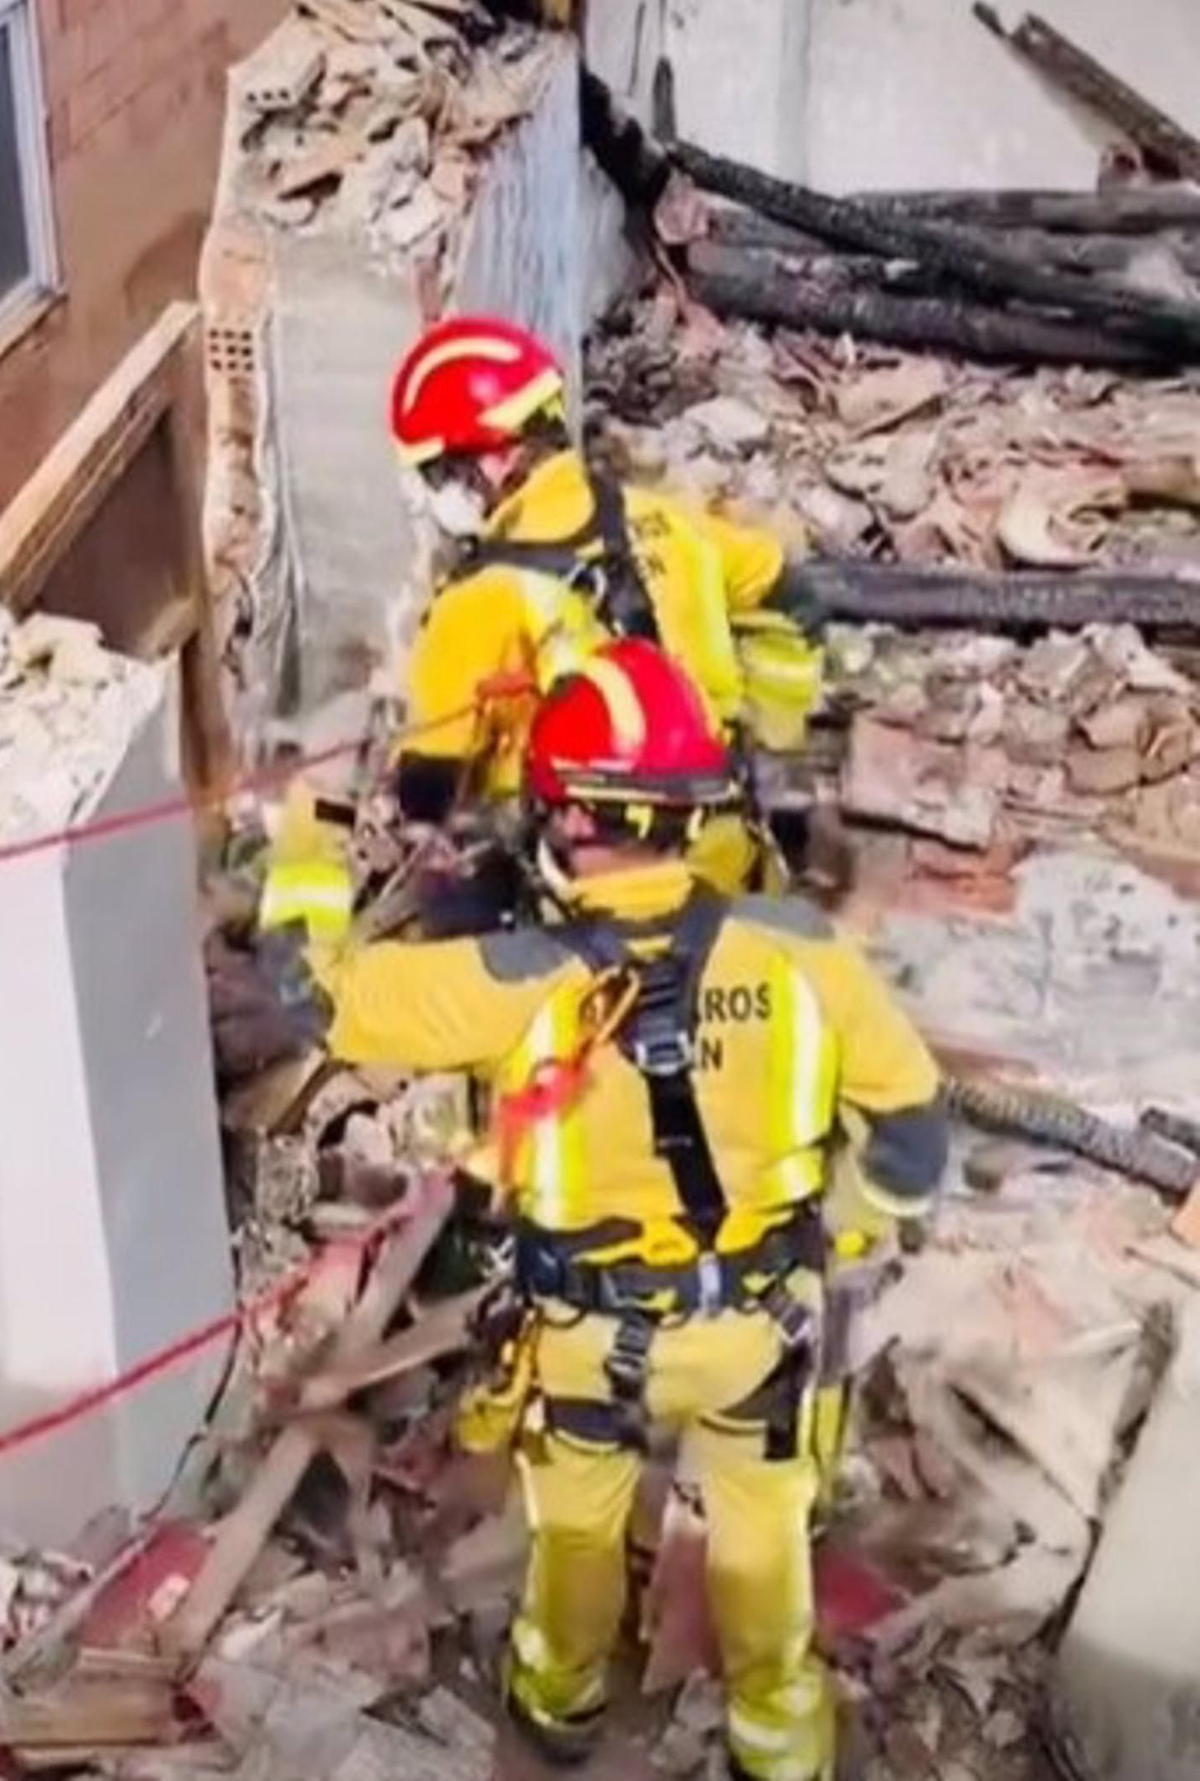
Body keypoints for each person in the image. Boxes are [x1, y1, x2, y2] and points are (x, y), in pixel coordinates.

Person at [258, 640, 946, 1779]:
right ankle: (780, 1743)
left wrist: (305, 831)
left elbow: (305, 990)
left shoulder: (512, 980)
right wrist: (847, 1235)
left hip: (583, 1343)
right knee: (763, 1544)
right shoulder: (806, 957)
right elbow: (914, 1137)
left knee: (575, 1534)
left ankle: (559, 1707)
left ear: (572, 818)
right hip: (759, 1333)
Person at [387, 316, 827, 901]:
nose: (435, 492)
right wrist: (780, 762)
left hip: (587, 890)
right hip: (727, 860)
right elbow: (794, 602)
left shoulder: (477, 601)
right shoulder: (666, 521)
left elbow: (429, 785)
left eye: (438, 472)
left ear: (493, 461)